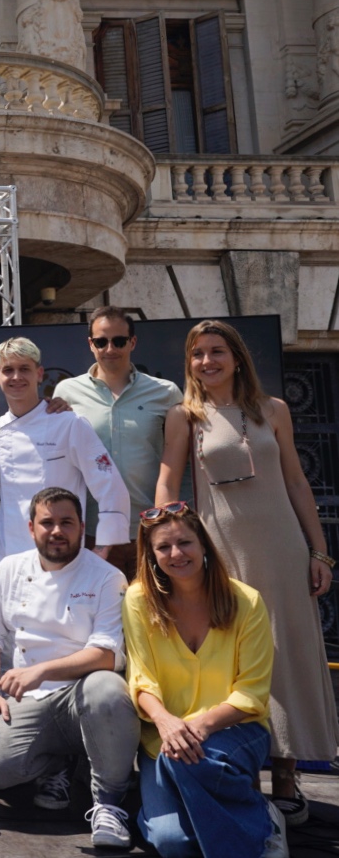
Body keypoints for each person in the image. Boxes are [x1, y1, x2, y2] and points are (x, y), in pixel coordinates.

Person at [155, 319, 338, 825]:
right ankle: (241, 776)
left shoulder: (274, 411)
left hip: (281, 551)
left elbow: (298, 482)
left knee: (286, 656)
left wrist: (318, 552)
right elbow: (168, 480)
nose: (207, 362)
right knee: (231, 660)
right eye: (197, 354)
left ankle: (286, 776)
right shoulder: (183, 416)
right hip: (220, 553)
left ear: (237, 358)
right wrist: (165, 544)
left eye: (216, 352)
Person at [0, 487, 139, 850]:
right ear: (31, 528)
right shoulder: (10, 569)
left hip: (83, 700)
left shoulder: (107, 577)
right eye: (47, 522)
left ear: (82, 527)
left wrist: (42, 670)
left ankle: (108, 803)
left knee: (107, 688)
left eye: (66, 522)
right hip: (29, 701)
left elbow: (108, 654)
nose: (57, 531)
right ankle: (58, 765)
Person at [124, 501, 287, 858]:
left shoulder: (247, 601)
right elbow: (141, 679)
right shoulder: (138, 600)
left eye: (185, 543)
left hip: (234, 731)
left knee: (183, 759)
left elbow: (252, 692)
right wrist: (167, 724)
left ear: (204, 546)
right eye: (163, 547)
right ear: (151, 556)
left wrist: (197, 727)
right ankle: (253, 812)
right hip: (163, 738)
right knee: (172, 843)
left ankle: (259, 833)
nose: (176, 553)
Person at [52, 307, 182, 579]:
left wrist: (173, 523)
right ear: (91, 344)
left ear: (132, 342)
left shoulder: (166, 393)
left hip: (148, 530)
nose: (110, 348)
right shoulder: (66, 393)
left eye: (119, 341)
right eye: (101, 341)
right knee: (98, 620)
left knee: (153, 619)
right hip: (91, 534)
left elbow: (184, 462)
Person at [0, 336, 131, 571]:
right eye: (8, 370)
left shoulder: (70, 424)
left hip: (63, 557)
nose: (16, 377)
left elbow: (110, 485)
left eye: (25, 369)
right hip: (9, 558)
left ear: (40, 373)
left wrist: (104, 545)